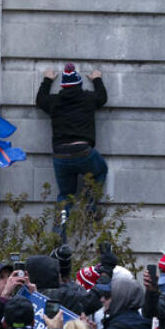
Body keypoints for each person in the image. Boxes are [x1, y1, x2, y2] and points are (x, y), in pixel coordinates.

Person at [35, 64, 109, 229]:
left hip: (60, 155)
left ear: (63, 86)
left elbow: (40, 99)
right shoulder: (88, 99)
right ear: (79, 84)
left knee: (65, 196)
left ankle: (58, 238)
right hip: (83, 151)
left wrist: (47, 80)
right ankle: (90, 204)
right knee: (101, 170)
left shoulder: (54, 102)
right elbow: (102, 97)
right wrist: (97, 79)